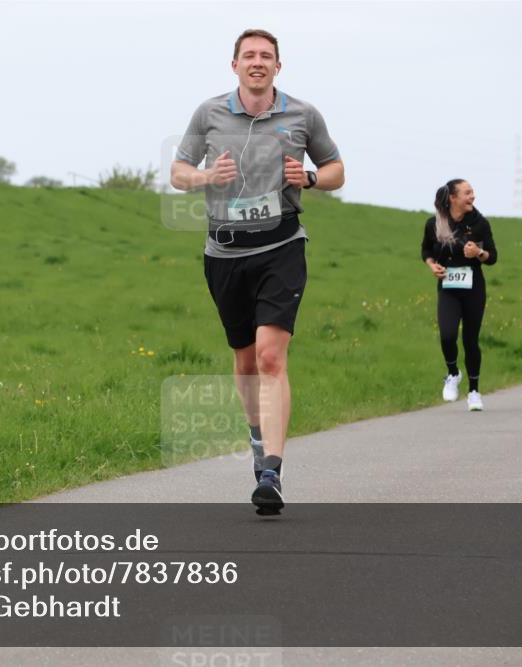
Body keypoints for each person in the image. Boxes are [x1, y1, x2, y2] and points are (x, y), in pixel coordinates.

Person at [170, 29, 344, 515]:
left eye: (266, 56)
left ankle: (271, 470)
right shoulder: (209, 113)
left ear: (278, 67)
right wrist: (206, 176)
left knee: (270, 358)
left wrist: (309, 177)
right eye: (249, 55)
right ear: (235, 65)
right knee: (245, 361)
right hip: (224, 253)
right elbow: (178, 171)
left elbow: (336, 169)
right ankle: (256, 436)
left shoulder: (303, 115)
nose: (258, 62)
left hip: (282, 245)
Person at [421, 179, 498, 411]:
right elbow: (425, 249)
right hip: (448, 288)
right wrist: (432, 265)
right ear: (452, 198)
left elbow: (493, 257)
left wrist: (479, 252)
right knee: (447, 335)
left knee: (470, 340)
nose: (472, 197)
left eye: (472, 192)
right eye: (467, 193)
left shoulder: (480, 223)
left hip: (474, 288)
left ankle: (474, 391)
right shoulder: (434, 223)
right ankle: (453, 373)